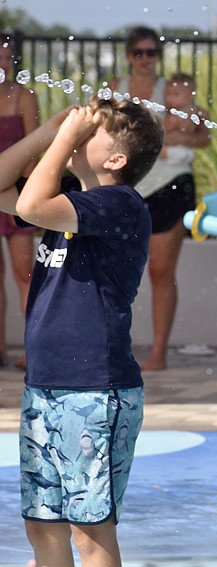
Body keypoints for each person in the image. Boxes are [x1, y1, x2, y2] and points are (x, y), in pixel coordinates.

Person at [0, 95, 162, 566]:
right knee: (42, 525)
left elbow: (30, 204)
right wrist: (49, 132)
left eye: (92, 133)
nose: (79, 130)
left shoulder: (121, 205)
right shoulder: (76, 196)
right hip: (47, 386)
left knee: (89, 530)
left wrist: (65, 138)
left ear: (115, 159)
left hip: (95, 389)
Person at [108, 28, 211, 372]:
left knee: (161, 271)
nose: (146, 59)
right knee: (111, 270)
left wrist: (176, 135)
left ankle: (158, 352)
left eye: (151, 52)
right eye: (139, 53)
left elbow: (204, 135)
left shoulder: (173, 88)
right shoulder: (114, 88)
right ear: (128, 56)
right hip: (125, 187)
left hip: (170, 183)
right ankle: (108, 347)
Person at [0, 36, 39, 370]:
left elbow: (32, 151)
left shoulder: (24, 97)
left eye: (7, 58)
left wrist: (24, 202)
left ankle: (35, 349)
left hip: (15, 194)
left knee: (25, 274)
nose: (2, 64)